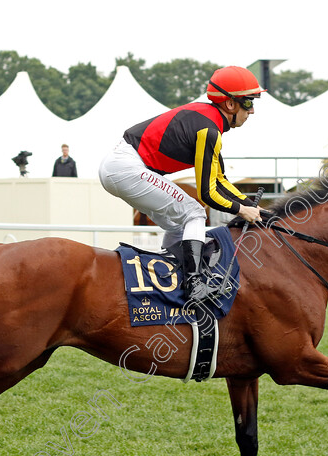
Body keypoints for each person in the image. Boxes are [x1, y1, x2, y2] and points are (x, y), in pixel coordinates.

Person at [98, 66, 264, 301]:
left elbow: (220, 179)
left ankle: (169, 277)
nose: (253, 110)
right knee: (195, 212)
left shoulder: (209, 121)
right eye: (248, 102)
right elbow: (207, 193)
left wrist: (252, 205)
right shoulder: (208, 130)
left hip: (121, 166)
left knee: (180, 225)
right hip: (126, 168)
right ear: (230, 104)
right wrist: (241, 210)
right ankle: (194, 284)